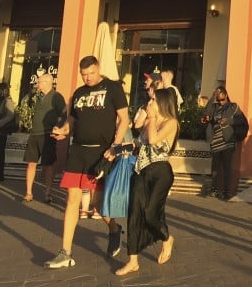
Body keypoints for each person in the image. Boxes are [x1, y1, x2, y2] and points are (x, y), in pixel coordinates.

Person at [44, 55, 130, 269]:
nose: (88, 78)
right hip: (78, 151)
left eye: (91, 73)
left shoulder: (112, 88)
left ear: (98, 69)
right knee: (72, 199)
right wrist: (62, 132)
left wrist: (115, 146)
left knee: (96, 203)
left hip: (101, 153)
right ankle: (65, 252)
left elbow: (124, 119)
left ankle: (113, 229)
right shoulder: (79, 93)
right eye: (84, 75)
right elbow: (70, 122)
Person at [114, 88, 179, 275]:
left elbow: (153, 140)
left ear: (163, 103)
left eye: (153, 101)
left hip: (160, 173)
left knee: (150, 212)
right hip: (140, 171)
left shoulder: (171, 122)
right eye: (149, 100)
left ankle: (166, 238)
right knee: (134, 213)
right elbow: (138, 142)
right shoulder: (148, 122)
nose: (149, 103)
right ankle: (132, 260)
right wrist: (116, 150)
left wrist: (150, 119)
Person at [23, 72, 66, 203]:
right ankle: (28, 192)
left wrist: (58, 127)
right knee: (31, 163)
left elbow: (63, 114)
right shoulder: (36, 97)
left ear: (48, 83)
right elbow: (26, 107)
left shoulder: (56, 97)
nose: (37, 84)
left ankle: (47, 192)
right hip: (34, 134)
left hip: (47, 134)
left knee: (48, 165)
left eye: (40, 82)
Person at [202, 85, 242, 200]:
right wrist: (212, 97)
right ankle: (213, 190)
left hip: (227, 142)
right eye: (218, 99)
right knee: (214, 169)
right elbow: (205, 113)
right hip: (215, 142)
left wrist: (228, 120)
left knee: (227, 168)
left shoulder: (233, 106)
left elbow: (239, 119)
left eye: (222, 99)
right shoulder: (214, 107)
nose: (220, 102)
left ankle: (227, 191)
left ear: (226, 96)